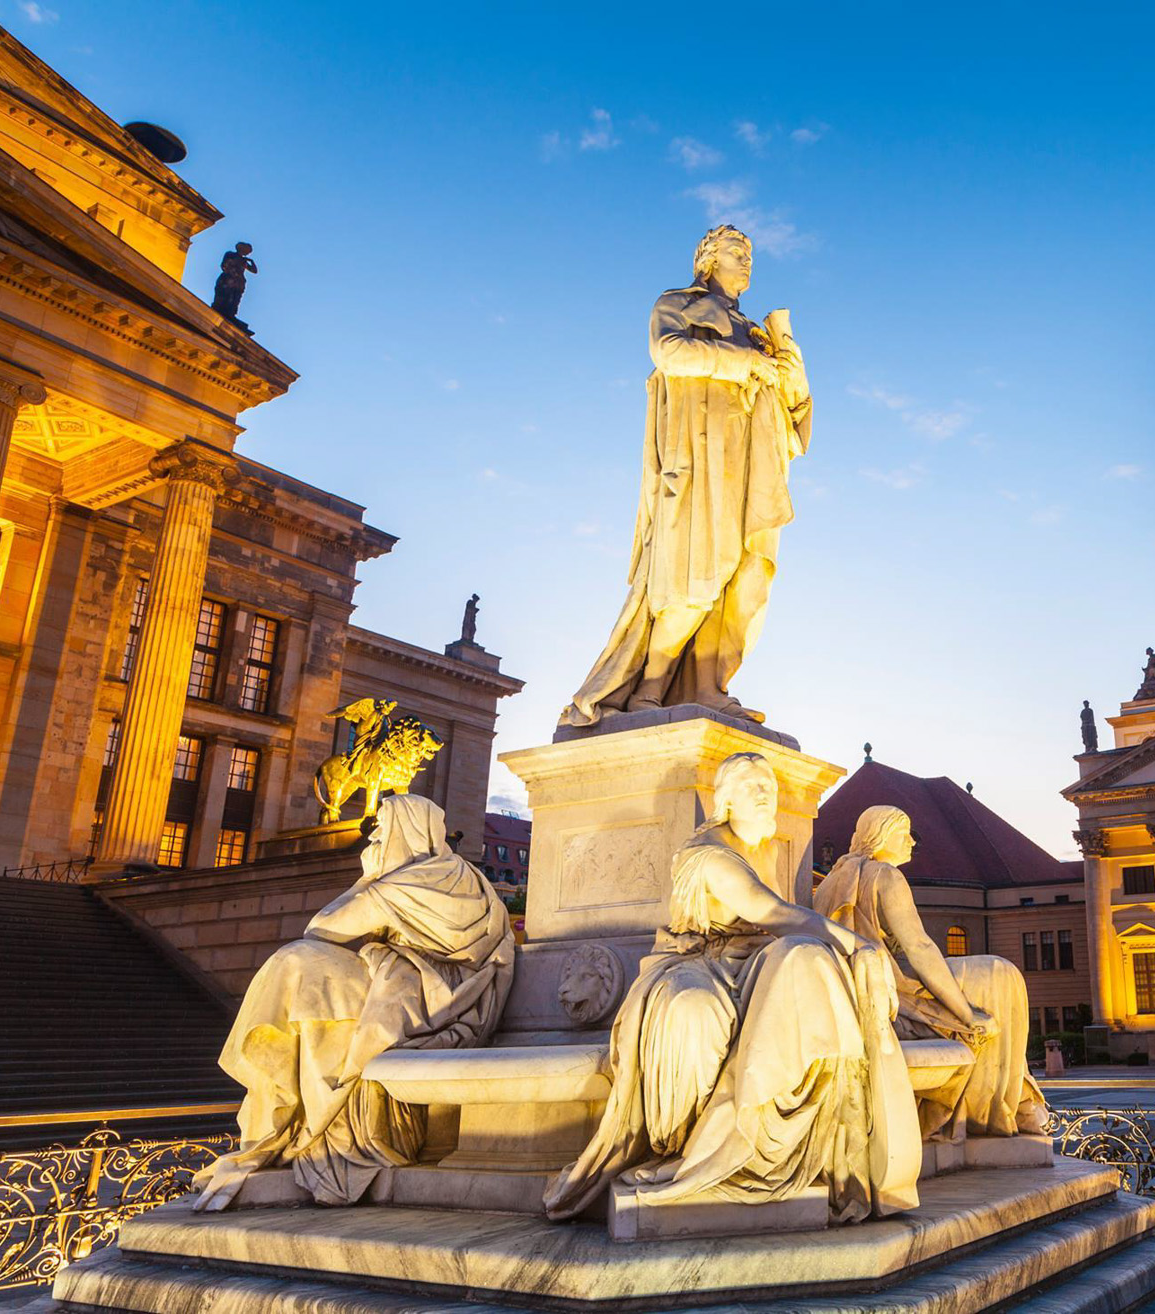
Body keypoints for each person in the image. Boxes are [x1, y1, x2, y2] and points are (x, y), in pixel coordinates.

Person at [544, 753, 917, 1223]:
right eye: (753, 787)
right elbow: (772, 912)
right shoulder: (709, 855)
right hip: (696, 965)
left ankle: (764, 1140)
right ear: (724, 801)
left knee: (807, 965)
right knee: (694, 1014)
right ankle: (685, 1150)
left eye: (771, 789)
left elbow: (778, 923)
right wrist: (858, 944)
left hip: (743, 963)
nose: (767, 796)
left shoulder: (757, 849)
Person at [194, 794, 514, 1210]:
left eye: (383, 827)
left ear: (407, 831)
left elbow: (323, 928)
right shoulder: (463, 875)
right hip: (443, 1000)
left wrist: (368, 882)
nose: (375, 837)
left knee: (299, 965)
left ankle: (296, 1121)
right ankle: (297, 1119)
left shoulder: (410, 882)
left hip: (420, 998)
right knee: (310, 980)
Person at [561, 226, 811, 729]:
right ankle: (650, 686)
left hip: (753, 456)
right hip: (700, 453)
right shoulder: (678, 304)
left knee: (748, 573)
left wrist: (784, 357)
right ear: (707, 259)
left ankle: (709, 686)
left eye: (749, 256)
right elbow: (669, 353)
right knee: (697, 569)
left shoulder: (757, 332)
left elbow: (796, 406)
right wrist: (744, 363)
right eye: (736, 252)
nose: (746, 262)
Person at [814, 805, 1047, 1142]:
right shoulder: (885, 875)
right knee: (1002, 974)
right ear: (878, 836)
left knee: (997, 976)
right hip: (896, 987)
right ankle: (1000, 1107)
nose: (911, 841)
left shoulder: (834, 879)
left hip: (868, 983)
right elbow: (920, 948)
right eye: (903, 833)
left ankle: (1013, 1100)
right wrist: (966, 1014)